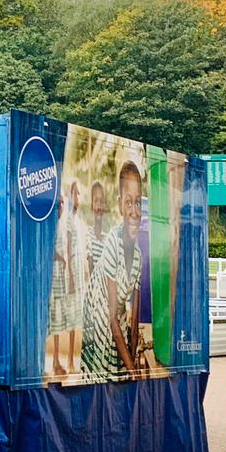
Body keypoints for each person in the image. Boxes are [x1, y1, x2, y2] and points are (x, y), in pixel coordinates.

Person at [79, 162, 145, 383]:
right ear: (119, 206)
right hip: (99, 317)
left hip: (116, 320)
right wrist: (132, 372)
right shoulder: (111, 244)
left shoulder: (138, 257)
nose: (134, 211)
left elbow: (133, 322)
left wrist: (132, 361)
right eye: (128, 202)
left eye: (138, 203)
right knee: (103, 378)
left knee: (122, 375)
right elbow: (111, 320)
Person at [46, 182, 83, 379]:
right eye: (58, 202)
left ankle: (65, 362)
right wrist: (64, 263)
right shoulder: (59, 223)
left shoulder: (70, 221)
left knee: (68, 319)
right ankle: (56, 363)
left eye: (62, 202)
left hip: (65, 277)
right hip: (58, 280)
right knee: (58, 320)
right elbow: (61, 250)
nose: (61, 205)